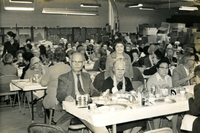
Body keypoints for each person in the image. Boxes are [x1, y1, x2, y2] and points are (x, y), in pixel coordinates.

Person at [56, 52, 107, 133]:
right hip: (71, 110)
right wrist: (66, 97)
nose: (77, 64)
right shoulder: (63, 78)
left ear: (83, 63)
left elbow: (93, 91)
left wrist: (101, 96)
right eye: (74, 61)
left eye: (79, 62)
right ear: (70, 62)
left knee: (100, 119)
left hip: (87, 108)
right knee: (96, 122)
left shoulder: (86, 76)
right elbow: (60, 94)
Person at [102, 59, 145, 133]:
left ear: (125, 71)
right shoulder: (108, 81)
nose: (120, 71)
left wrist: (137, 92)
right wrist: (114, 95)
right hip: (114, 113)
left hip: (127, 111)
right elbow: (104, 99)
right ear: (113, 69)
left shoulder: (127, 80)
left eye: (122, 69)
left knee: (142, 121)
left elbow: (132, 93)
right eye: (118, 69)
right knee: (128, 126)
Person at [40, 48, 71, 124]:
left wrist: (42, 76)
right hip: (68, 98)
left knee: (44, 100)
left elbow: (43, 83)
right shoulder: (69, 67)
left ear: (54, 59)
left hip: (54, 99)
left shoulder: (51, 69)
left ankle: (52, 120)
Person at [185, 65, 200, 133]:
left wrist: (190, 98)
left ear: (197, 77)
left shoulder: (198, 87)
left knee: (187, 117)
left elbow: (194, 111)